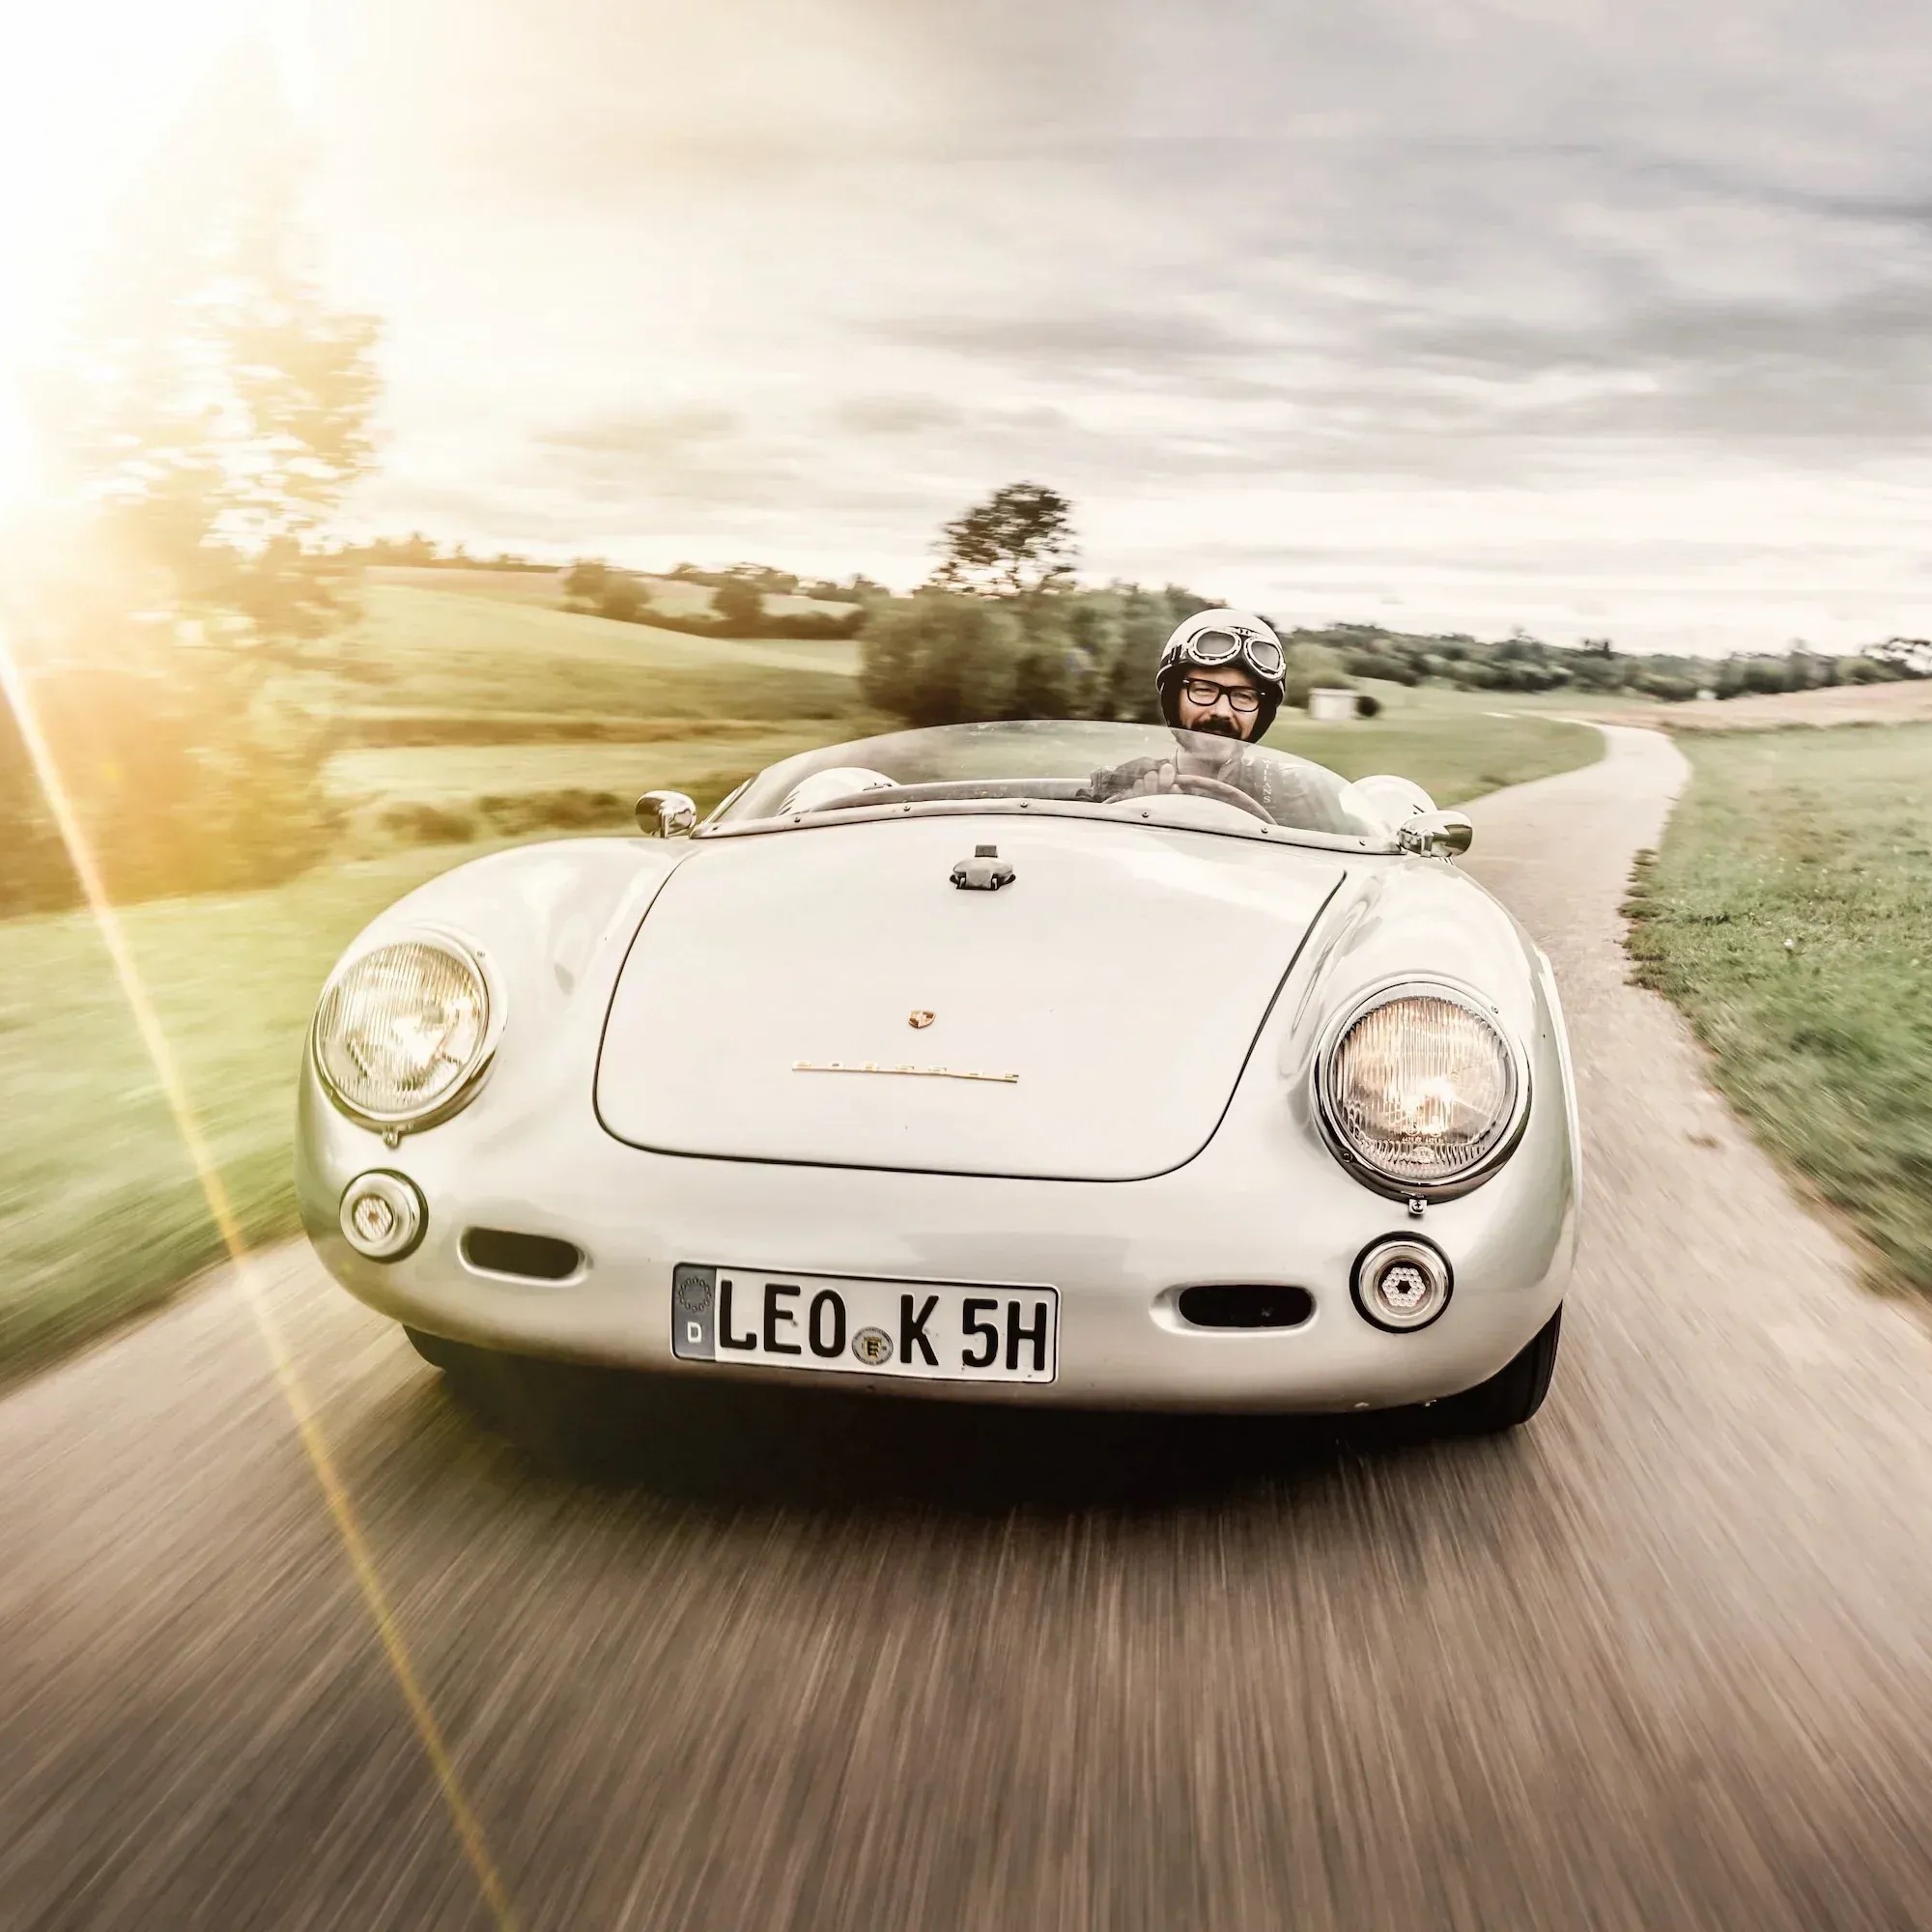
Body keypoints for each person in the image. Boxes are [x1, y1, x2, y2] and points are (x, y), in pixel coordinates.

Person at [1079, 608, 1316, 818]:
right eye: (1203, 690)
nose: (1222, 712)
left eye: (1243, 696)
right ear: (1174, 699)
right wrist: (1124, 814)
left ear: (1261, 715)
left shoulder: (1293, 794)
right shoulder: (1120, 782)